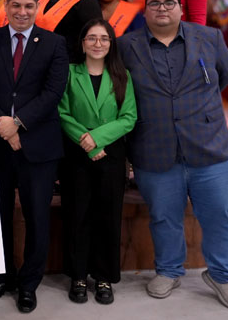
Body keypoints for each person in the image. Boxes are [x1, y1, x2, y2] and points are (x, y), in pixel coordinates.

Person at [119, 0, 228, 312]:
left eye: (169, 3)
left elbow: (225, 76)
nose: (162, 8)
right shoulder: (125, 46)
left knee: (221, 214)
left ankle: (224, 276)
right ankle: (169, 270)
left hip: (209, 146)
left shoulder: (210, 38)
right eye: (155, 4)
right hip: (154, 146)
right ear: (145, 10)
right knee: (164, 216)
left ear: (180, 8)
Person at [0, 0, 69, 314]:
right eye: (15, 6)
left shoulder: (54, 43)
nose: (22, 12)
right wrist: (3, 125)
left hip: (39, 147)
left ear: (37, 7)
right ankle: (3, 276)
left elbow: (53, 93)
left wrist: (18, 124)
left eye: (28, 6)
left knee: (37, 218)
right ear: (6, 8)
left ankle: (29, 284)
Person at [58, 19, 137, 305]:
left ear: (111, 43)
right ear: (82, 43)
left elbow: (129, 117)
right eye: (91, 38)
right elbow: (62, 113)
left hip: (112, 156)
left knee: (108, 216)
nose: (97, 43)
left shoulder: (122, 75)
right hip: (76, 156)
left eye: (104, 38)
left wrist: (98, 139)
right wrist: (88, 142)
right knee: (77, 215)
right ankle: (78, 275)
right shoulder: (68, 73)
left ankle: (104, 276)